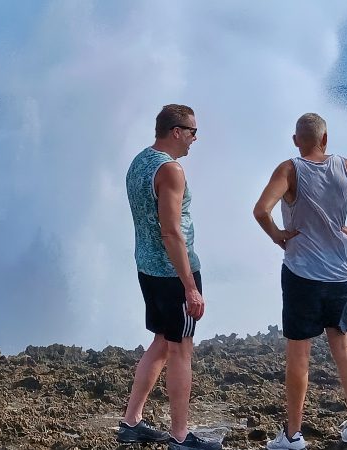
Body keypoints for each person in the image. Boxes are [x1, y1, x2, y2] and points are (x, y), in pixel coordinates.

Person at [253, 113, 347, 449]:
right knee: (342, 346)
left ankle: (292, 435)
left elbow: (261, 210)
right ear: (325, 138)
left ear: (295, 140)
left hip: (302, 274)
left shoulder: (289, 169)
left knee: (298, 355)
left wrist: (278, 235)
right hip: (340, 274)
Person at [118, 104, 220, 450]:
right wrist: (190, 286)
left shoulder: (139, 161)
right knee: (180, 350)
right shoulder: (171, 171)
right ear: (176, 131)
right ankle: (179, 436)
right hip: (174, 271)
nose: (195, 139)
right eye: (192, 132)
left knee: (163, 340)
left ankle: (131, 421)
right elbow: (171, 233)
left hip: (147, 266)